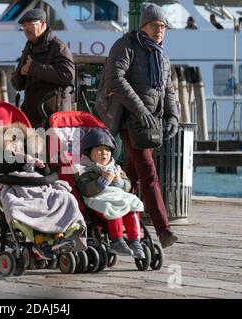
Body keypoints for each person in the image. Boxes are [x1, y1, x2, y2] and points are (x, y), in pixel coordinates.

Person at [94, 3, 179, 248]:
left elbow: (168, 89)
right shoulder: (126, 45)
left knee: (131, 175)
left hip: (150, 123)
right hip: (130, 119)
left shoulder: (160, 54)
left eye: (163, 26)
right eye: (155, 25)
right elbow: (114, 79)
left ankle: (114, 220)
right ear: (143, 26)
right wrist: (140, 110)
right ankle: (164, 230)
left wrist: (172, 116)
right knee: (148, 173)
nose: (160, 30)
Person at [0, 122, 87, 260]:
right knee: (30, 206)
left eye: (19, 145)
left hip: (39, 187)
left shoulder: (30, 160)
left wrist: (41, 166)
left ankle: (59, 237)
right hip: (19, 188)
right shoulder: (1, 162)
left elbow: (46, 175)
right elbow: (5, 167)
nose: (16, 148)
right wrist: (22, 159)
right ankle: (39, 242)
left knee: (64, 198)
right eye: (11, 145)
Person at [76, 129, 145, 259]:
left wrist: (118, 181)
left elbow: (127, 184)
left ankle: (135, 240)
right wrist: (103, 181)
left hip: (118, 195)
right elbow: (86, 189)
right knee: (113, 206)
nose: (104, 153)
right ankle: (117, 240)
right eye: (99, 150)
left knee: (133, 203)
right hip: (99, 198)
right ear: (89, 152)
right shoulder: (84, 170)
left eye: (107, 150)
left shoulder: (115, 168)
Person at [11, 8, 75, 128]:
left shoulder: (58, 47)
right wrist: (20, 73)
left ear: (42, 24)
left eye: (30, 25)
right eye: (24, 26)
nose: (26, 29)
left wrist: (34, 67)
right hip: (31, 118)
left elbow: (67, 75)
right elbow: (17, 85)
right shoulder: (29, 47)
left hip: (53, 118)